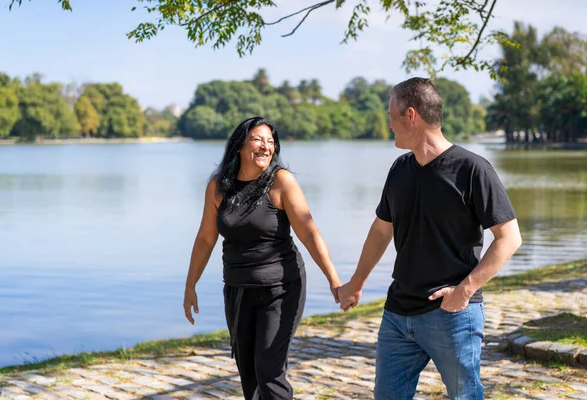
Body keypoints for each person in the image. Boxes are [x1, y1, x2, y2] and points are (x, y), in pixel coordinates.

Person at [338, 77, 522, 400]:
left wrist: (464, 291)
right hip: (398, 313)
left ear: (411, 116)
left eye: (391, 115)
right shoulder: (399, 170)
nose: (388, 124)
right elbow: (381, 230)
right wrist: (356, 281)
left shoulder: (472, 170)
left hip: (450, 314)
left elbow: (509, 238)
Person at [183, 116, 342, 400]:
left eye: (270, 142)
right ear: (240, 145)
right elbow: (206, 238)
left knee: (269, 368)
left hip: (281, 288)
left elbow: (309, 232)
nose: (265, 147)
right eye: (257, 139)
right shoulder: (219, 186)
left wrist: (333, 279)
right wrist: (190, 285)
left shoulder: (281, 182)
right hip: (238, 289)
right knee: (249, 373)